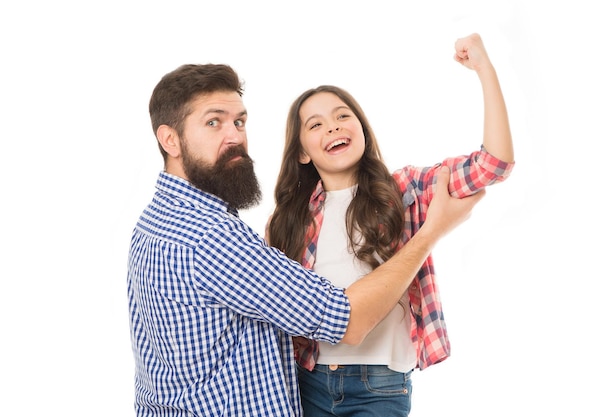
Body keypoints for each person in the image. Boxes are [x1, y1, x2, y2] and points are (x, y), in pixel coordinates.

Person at [126, 63, 484, 416]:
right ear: (169, 139)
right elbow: (348, 321)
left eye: (239, 121)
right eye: (213, 122)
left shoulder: (151, 224)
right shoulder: (212, 238)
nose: (234, 136)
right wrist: (431, 232)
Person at [265, 33, 515, 417]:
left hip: (379, 386)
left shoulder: (405, 191)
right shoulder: (288, 219)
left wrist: (485, 69)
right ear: (301, 151)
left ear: (362, 127)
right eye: (315, 125)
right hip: (306, 382)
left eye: (343, 115)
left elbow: (493, 164)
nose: (333, 127)